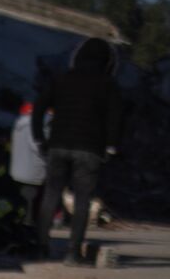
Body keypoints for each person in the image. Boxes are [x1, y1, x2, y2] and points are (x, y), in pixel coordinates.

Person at [34, 38, 126, 265]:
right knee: (82, 199)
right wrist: (111, 146)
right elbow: (115, 118)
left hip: (58, 144)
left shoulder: (62, 79)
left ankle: (40, 246)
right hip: (90, 149)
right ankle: (72, 253)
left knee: (51, 194)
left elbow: (39, 107)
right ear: (107, 62)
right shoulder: (108, 84)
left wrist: (40, 138)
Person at [8, 95, 47, 241]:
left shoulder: (18, 123)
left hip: (18, 170)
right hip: (32, 172)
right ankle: (26, 236)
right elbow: (37, 146)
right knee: (29, 210)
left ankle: (18, 232)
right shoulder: (33, 125)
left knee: (21, 205)